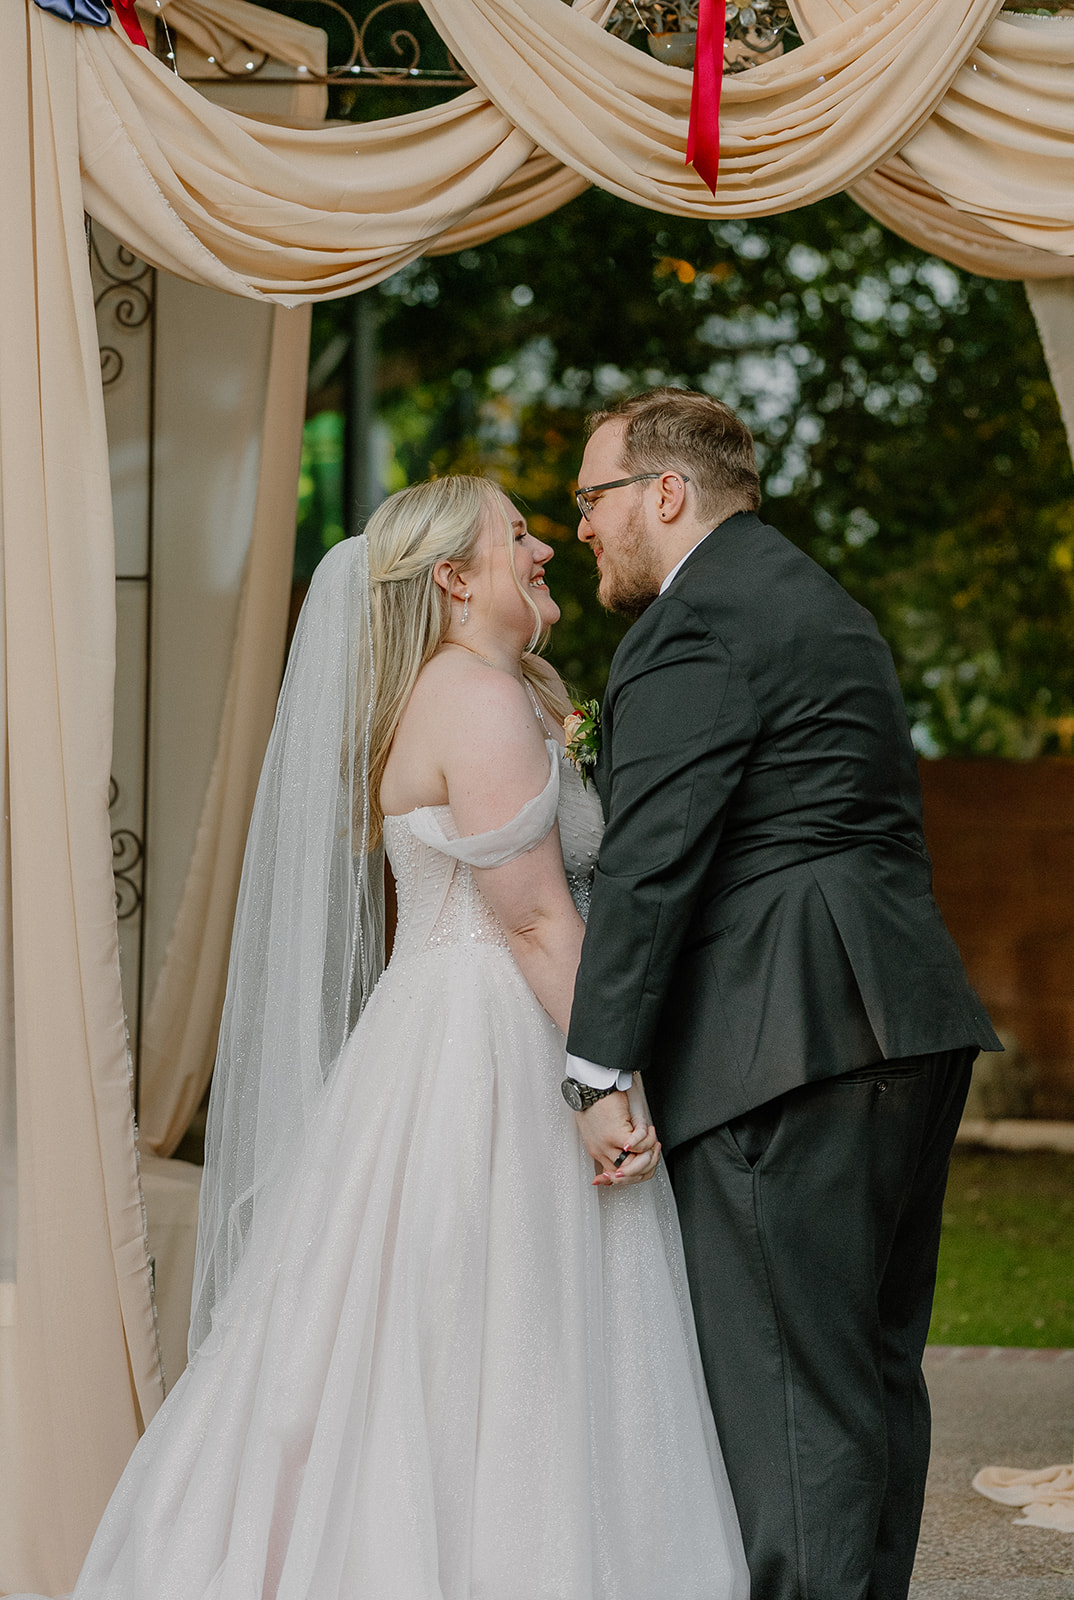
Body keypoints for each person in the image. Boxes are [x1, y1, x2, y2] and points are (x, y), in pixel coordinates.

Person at [25, 477, 747, 1600]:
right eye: (518, 535)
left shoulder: (476, 689)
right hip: (494, 1044)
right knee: (507, 1333)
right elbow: (537, 917)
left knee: (421, 1325)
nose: (545, 546)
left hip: (433, 1032)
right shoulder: (474, 698)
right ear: (455, 576)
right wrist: (604, 1085)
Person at [562, 389, 1002, 1600]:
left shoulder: (695, 622)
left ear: (665, 492)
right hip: (900, 1015)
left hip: (783, 1041)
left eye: (593, 498)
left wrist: (598, 1066)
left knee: (792, 1405)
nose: (584, 526)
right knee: (868, 1373)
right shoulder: (822, 604)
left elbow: (656, 862)